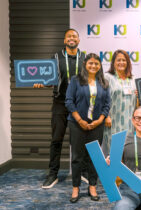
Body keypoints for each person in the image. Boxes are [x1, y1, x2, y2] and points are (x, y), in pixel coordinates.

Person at [33, 29, 87, 189]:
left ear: (79, 40)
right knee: (56, 140)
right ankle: (53, 175)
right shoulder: (55, 58)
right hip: (60, 103)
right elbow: (50, 79)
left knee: (79, 141)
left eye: (74, 36)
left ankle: (82, 172)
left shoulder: (84, 58)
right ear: (65, 40)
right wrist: (41, 82)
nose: (72, 38)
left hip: (79, 105)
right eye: (69, 36)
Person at [65, 53, 111, 203]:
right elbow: (69, 101)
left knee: (94, 158)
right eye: (90, 63)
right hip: (77, 124)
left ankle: (92, 186)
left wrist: (99, 121)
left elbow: (107, 104)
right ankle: (75, 188)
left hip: (96, 125)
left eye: (96, 64)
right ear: (85, 64)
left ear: (100, 66)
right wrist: (79, 120)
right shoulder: (75, 80)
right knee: (77, 157)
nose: (93, 66)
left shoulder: (103, 82)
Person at [102, 49, 137, 154]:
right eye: (118, 60)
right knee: (112, 152)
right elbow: (102, 98)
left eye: (124, 60)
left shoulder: (133, 79)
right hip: (112, 122)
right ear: (113, 62)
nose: (121, 62)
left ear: (128, 63)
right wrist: (106, 116)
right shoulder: (107, 77)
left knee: (127, 151)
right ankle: (111, 171)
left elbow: (136, 102)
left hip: (129, 123)